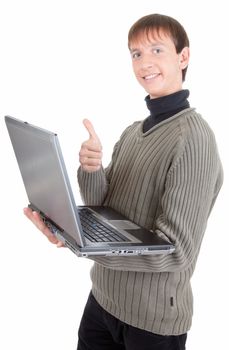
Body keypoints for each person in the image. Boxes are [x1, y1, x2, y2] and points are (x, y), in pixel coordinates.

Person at [24, 13, 223, 350]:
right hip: (102, 301)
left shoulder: (193, 139)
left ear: (183, 57)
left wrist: (84, 245)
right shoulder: (133, 132)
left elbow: (175, 253)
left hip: (152, 323)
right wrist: (92, 169)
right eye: (136, 53)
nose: (145, 63)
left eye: (157, 50)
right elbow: (107, 209)